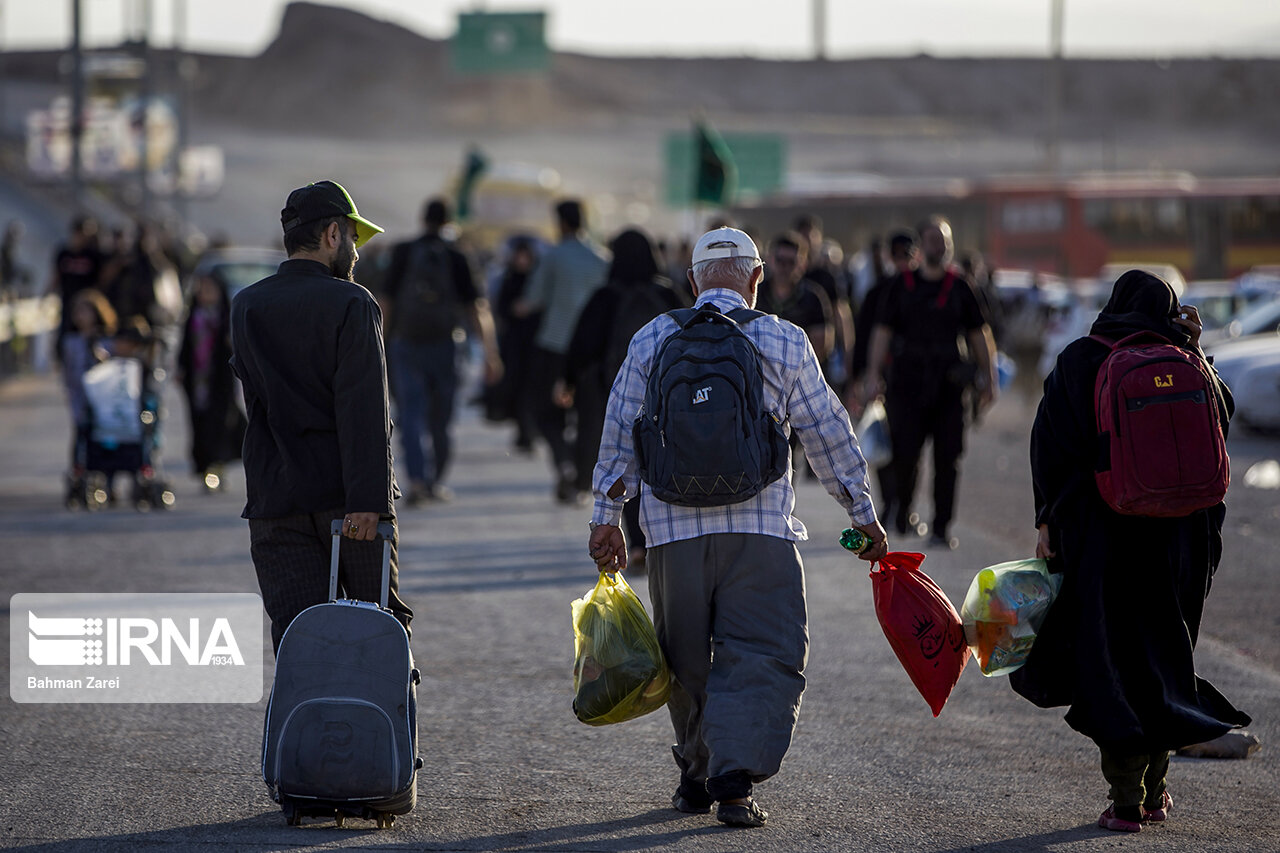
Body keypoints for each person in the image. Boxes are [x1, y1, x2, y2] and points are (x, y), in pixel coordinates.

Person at [586, 227, 888, 828]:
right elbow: (828, 432)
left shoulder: (652, 338)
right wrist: (861, 512)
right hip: (762, 533)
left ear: (693, 282)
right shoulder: (782, 339)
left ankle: (696, 773)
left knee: (685, 660)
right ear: (756, 279)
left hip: (672, 533)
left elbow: (619, 431)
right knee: (763, 652)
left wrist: (605, 517)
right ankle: (733, 777)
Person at [1013, 270, 1251, 833]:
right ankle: (1157, 791)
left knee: (1110, 658)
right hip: (1183, 539)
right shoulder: (1185, 358)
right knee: (1168, 654)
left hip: (1103, 534)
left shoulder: (1080, 358)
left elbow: (1049, 446)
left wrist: (1047, 518)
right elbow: (1225, 415)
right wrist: (1193, 347)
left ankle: (1124, 798)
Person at [229, 179, 411, 653]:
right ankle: (377, 728)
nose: (354, 250)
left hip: (274, 502)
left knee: (298, 641)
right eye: (352, 237)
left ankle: (304, 727)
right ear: (333, 234)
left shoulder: (246, 305)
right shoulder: (352, 302)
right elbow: (364, 410)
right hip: (347, 504)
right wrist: (369, 501)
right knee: (379, 634)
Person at [863, 215, 998, 548]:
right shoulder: (899, 286)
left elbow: (979, 334)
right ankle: (903, 512)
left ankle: (941, 528)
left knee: (948, 459)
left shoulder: (962, 287)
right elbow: (882, 333)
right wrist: (871, 375)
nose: (938, 247)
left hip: (949, 386)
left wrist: (989, 379)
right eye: (932, 240)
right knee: (905, 455)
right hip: (906, 385)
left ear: (950, 246)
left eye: (943, 241)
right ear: (921, 246)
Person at [565, 227, 686, 572]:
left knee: (626, 463)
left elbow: (582, 345)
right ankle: (657, 539)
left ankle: (636, 544)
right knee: (657, 463)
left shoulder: (606, 296)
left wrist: (569, 380)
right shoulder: (666, 294)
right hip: (664, 396)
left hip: (614, 393)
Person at [382, 197, 501, 505]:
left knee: (409, 411)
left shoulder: (404, 251)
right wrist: (490, 353)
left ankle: (417, 481)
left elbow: (386, 302)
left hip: (406, 343)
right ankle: (435, 481)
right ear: (449, 222)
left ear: (423, 219)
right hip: (445, 344)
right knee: (441, 418)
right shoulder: (457, 255)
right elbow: (477, 308)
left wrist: (379, 342)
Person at [518, 199, 609, 504]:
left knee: (546, 411)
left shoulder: (553, 257)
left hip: (555, 345)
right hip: (591, 351)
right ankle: (582, 479)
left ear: (562, 223)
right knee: (588, 416)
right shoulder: (601, 258)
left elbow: (533, 298)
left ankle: (563, 459)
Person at [850, 228, 918, 524]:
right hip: (883, 381)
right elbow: (863, 336)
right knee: (881, 443)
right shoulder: (879, 293)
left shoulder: (920, 291)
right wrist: (859, 378)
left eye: (908, 254)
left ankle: (903, 507)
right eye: (898, 254)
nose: (902, 261)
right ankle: (890, 503)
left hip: (915, 382)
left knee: (910, 448)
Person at [177, 269, 245, 492]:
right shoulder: (193, 317)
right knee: (199, 424)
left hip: (220, 381)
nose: (204, 293)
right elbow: (185, 347)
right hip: (197, 381)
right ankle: (205, 465)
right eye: (200, 289)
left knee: (221, 422)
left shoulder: (226, 317)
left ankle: (217, 466)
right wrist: (181, 368)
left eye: (208, 289)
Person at [490, 235, 543, 452]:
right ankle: (522, 431)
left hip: (533, 344)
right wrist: (514, 310)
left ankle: (528, 432)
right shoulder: (509, 279)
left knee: (531, 389)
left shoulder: (537, 280)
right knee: (516, 386)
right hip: (513, 344)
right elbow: (500, 308)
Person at [50, 215, 105, 363]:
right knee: (66, 339)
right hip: (68, 303)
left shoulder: (93, 255)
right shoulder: (64, 253)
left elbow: (102, 279)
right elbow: (56, 276)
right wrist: (47, 294)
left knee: (87, 341)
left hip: (88, 306)